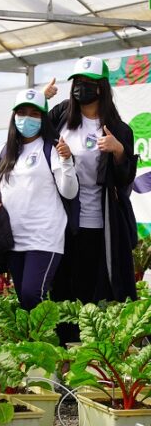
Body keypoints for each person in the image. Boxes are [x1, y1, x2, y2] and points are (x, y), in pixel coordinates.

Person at [47, 56, 138, 306]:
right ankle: (63, 340)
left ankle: (90, 337)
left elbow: (124, 179)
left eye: (88, 82)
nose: (80, 87)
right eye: (77, 82)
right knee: (62, 284)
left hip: (99, 220)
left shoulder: (119, 129)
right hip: (62, 216)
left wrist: (118, 150)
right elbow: (30, 134)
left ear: (102, 88)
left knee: (93, 284)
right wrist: (40, 99)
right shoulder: (61, 115)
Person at [0, 88, 78, 310]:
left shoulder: (51, 147)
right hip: (14, 238)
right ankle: (32, 343)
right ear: (14, 116)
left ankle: (47, 342)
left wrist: (66, 160)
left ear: (43, 118)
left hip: (44, 236)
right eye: (22, 112)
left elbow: (69, 192)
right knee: (24, 299)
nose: (27, 118)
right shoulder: (6, 151)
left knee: (33, 294)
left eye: (34, 114)